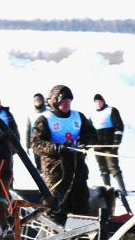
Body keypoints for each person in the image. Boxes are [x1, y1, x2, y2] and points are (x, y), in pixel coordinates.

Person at [30, 84, 98, 224]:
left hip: (77, 171)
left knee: (81, 208)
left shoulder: (78, 116)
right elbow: (36, 143)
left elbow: (92, 134)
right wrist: (56, 148)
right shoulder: (45, 119)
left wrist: (85, 140)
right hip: (55, 173)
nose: (66, 103)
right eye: (63, 101)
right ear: (54, 101)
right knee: (56, 208)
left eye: (69, 100)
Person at [90, 93, 126, 193]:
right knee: (103, 169)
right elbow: (89, 130)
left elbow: (119, 127)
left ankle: (123, 190)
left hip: (109, 146)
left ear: (103, 101)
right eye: (96, 102)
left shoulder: (111, 111)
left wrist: (116, 142)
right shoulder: (93, 115)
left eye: (99, 101)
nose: (98, 103)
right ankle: (107, 190)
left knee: (113, 167)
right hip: (97, 147)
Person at [24, 92, 46, 169]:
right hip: (35, 140)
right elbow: (28, 130)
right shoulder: (31, 114)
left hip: (47, 139)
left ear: (43, 101)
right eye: (36, 101)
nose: (38, 103)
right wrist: (27, 145)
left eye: (39, 101)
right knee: (37, 159)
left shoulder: (49, 112)